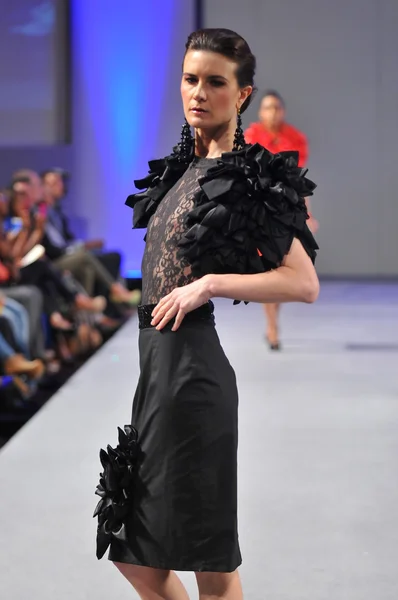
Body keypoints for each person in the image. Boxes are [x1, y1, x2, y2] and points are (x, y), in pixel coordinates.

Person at [93, 28, 319, 600]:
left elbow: (303, 282)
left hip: (192, 378)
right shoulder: (182, 168)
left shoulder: (247, 178)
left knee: (208, 564)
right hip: (159, 374)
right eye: (190, 79)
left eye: (215, 82)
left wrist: (211, 284)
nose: (198, 92)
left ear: (242, 95)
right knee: (137, 551)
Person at [245, 90, 319, 349]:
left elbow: (298, 183)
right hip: (260, 211)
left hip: (287, 211)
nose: (272, 112)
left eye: (276, 107)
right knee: (268, 270)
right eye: (267, 108)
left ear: (282, 111)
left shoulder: (295, 139)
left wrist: (307, 214)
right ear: (260, 112)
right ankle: (272, 327)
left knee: (285, 270)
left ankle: (273, 322)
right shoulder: (250, 137)